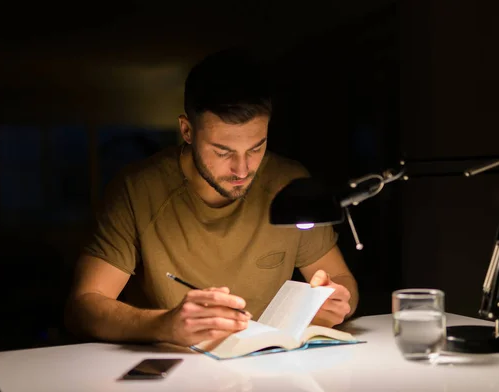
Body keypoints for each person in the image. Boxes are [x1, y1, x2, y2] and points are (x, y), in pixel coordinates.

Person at [64, 48, 359, 348]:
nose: (242, 169)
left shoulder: (289, 185)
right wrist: (164, 324)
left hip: (272, 371)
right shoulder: (138, 190)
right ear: (187, 131)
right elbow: (84, 306)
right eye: (223, 152)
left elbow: (342, 281)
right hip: (175, 376)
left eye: (256, 148)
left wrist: (335, 301)